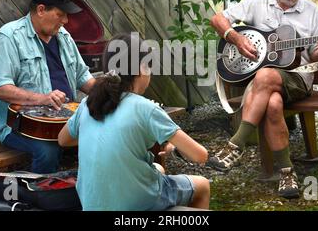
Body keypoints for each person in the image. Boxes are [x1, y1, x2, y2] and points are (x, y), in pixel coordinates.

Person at [208, 0, 318, 199]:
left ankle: (236, 145)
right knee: (273, 103)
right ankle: (287, 172)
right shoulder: (258, 4)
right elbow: (217, 19)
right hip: (264, 85)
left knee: (266, 75)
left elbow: (316, 54)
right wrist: (236, 38)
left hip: (298, 78)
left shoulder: (311, 11)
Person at [58, 33, 210, 211]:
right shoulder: (146, 108)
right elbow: (200, 156)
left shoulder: (88, 103)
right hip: (137, 202)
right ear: (141, 69)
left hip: (92, 203)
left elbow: (63, 140)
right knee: (202, 185)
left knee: (157, 170)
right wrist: (173, 149)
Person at [0, 0, 96, 174]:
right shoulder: (8, 37)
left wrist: (111, 93)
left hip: (64, 120)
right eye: (60, 15)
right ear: (40, 10)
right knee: (47, 151)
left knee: (105, 135)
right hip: (21, 127)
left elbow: (82, 76)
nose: (65, 21)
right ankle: (40, 198)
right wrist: (43, 98)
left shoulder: (63, 36)